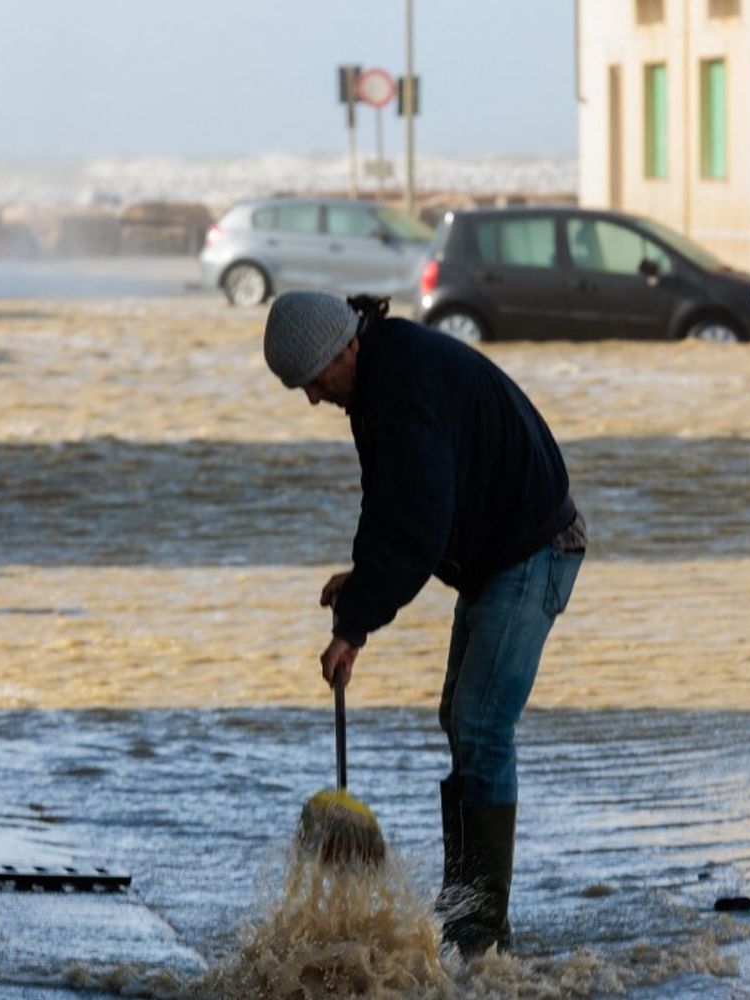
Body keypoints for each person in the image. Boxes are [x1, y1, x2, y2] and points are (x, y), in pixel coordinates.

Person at [263, 290, 586, 958]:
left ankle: (480, 933)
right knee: (460, 718)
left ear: (345, 346)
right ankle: (468, 908)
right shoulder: (382, 375)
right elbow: (391, 505)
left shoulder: (399, 389)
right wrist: (364, 581)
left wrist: (353, 629)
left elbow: (414, 523)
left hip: (533, 551)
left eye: (315, 381)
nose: (314, 399)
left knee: (480, 724)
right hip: (498, 552)